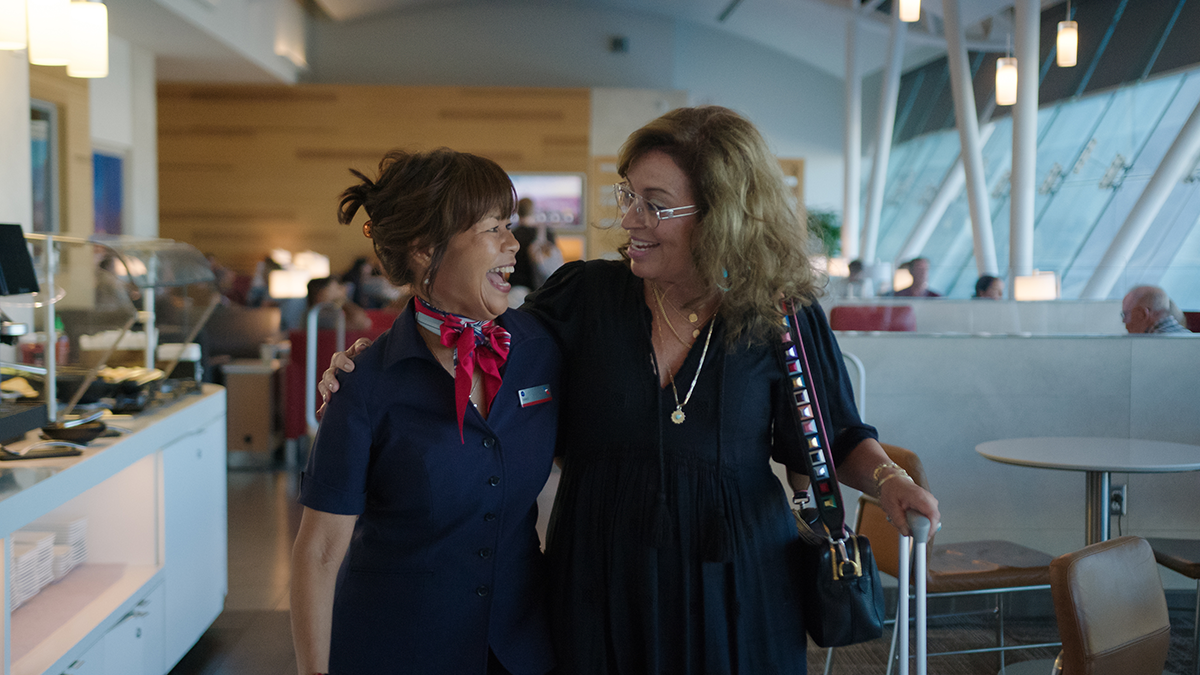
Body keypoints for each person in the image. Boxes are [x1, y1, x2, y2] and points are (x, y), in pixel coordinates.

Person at [319, 107, 940, 674]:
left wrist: (888, 480)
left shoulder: (780, 314)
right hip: (596, 581)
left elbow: (835, 434)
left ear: (719, 212)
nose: (630, 219)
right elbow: (471, 335)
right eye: (629, 196)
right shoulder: (585, 297)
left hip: (738, 588)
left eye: (655, 204)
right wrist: (371, 360)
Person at [290, 148, 561, 675]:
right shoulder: (364, 384)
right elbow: (320, 552)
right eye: (492, 230)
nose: (512, 244)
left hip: (521, 647)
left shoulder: (543, 350)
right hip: (396, 647)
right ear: (423, 249)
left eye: (509, 226)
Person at [508, 197, 564, 307]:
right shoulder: (547, 234)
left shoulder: (512, 235)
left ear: (518, 211)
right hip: (543, 290)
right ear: (533, 211)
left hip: (518, 290)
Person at [305, 276, 372, 331]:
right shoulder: (317, 314)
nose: (342, 290)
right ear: (322, 293)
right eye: (336, 288)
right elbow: (362, 324)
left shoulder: (331, 311)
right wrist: (344, 301)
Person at [1121, 285, 1191, 334]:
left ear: (1143, 315)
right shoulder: (1191, 338)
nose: (1124, 321)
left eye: (1126, 314)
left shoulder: (1148, 346)